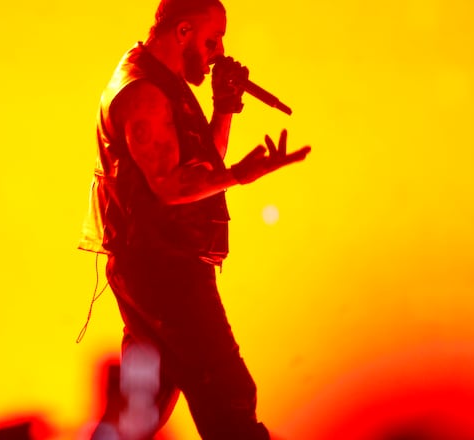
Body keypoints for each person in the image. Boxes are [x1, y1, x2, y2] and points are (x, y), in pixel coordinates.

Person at [78, 0, 311, 438]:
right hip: (164, 270)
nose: (218, 52)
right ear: (183, 31)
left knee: (145, 401)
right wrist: (241, 176)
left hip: (159, 267)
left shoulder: (164, 83)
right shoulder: (143, 92)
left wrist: (223, 107)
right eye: (212, 39)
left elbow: (199, 170)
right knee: (228, 389)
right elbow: (169, 186)